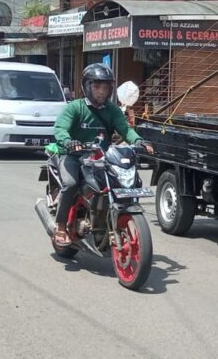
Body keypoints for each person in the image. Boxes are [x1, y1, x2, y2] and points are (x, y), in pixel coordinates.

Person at [46, 63, 153, 247]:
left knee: (125, 181)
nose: (101, 92)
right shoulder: (75, 108)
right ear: (86, 86)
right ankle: (61, 226)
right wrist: (68, 141)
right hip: (72, 155)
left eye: (105, 87)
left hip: (100, 158)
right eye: (96, 86)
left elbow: (125, 129)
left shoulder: (112, 110)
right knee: (71, 184)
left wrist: (138, 141)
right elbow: (60, 128)